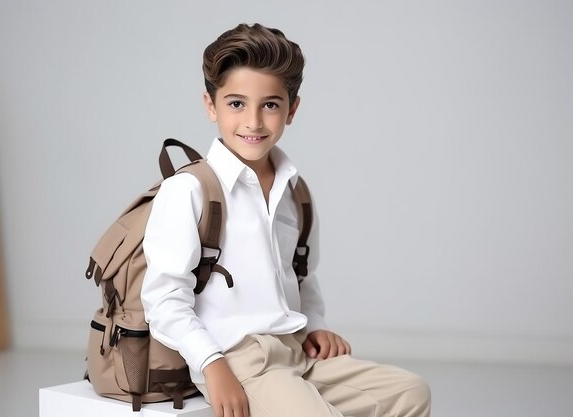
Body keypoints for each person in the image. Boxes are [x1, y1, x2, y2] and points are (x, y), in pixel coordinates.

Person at [141, 23, 431, 417]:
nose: (254, 122)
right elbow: (163, 301)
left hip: (296, 351)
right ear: (211, 105)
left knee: (410, 392)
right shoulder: (190, 190)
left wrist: (317, 326)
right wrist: (212, 365)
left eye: (271, 105)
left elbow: (301, 275)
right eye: (236, 103)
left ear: (292, 109)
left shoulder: (295, 192)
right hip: (239, 360)